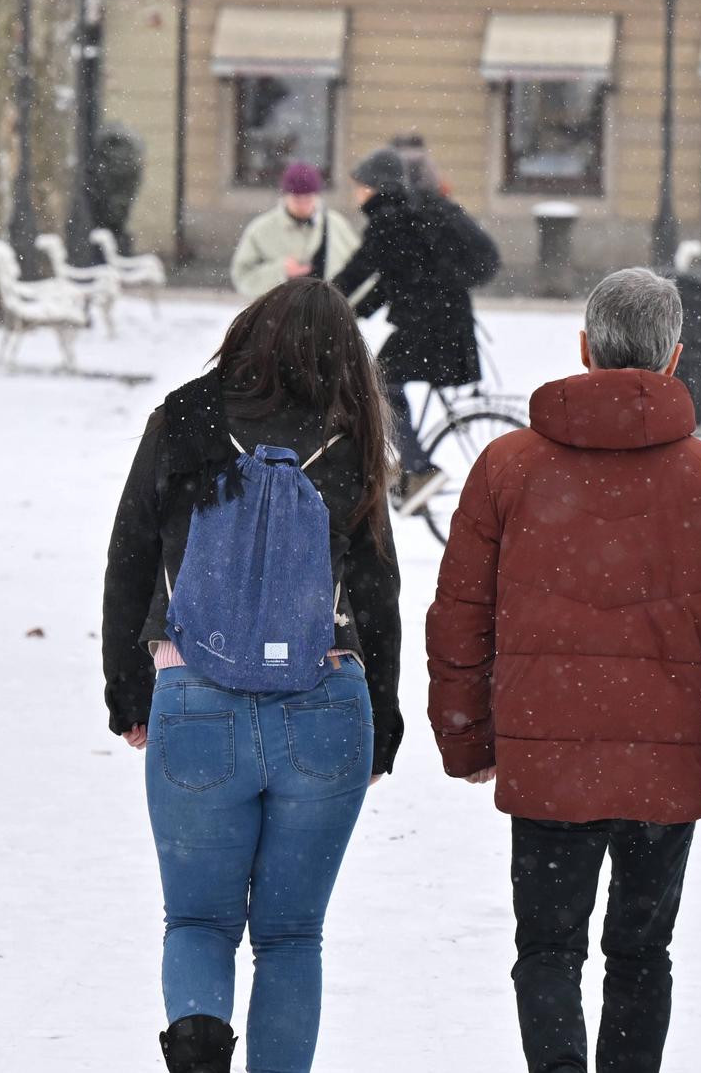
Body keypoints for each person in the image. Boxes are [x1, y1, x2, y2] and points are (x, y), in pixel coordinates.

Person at [425, 268, 701, 1073]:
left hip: (547, 755)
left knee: (547, 949)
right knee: (641, 953)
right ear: (674, 357)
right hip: (663, 766)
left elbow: (459, 617)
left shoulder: (507, 468)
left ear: (585, 348)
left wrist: (467, 739)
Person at [102, 277, 405, 1073]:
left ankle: (199, 1048)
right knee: (291, 936)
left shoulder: (184, 418)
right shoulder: (351, 434)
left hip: (195, 699)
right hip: (325, 704)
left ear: (247, 337)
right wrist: (384, 719)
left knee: (197, 924)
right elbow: (377, 590)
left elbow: (131, 554)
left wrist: (127, 690)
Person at [330, 147, 501, 511]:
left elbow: (359, 272)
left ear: (375, 186)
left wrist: (320, 300)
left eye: (359, 185)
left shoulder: (389, 221)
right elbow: (388, 281)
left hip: (430, 326)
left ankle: (419, 468)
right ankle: (412, 469)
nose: (356, 193)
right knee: (381, 384)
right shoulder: (403, 218)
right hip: (438, 322)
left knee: (378, 385)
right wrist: (349, 312)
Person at [228, 162, 357, 299]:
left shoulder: (336, 225)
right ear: (285, 196)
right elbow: (242, 277)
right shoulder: (261, 229)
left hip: (329, 310)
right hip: (279, 310)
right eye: (297, 199)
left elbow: (359, 269)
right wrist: (280, 271)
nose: (303, 205)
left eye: (308, 198)